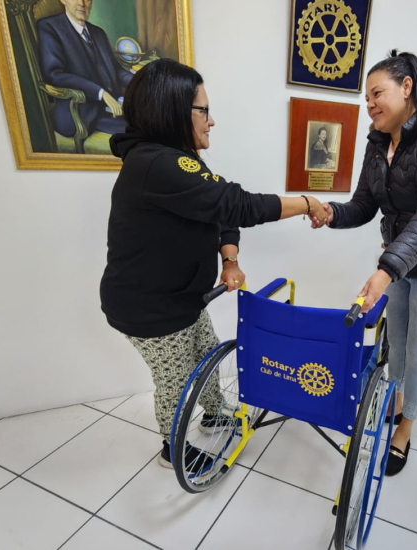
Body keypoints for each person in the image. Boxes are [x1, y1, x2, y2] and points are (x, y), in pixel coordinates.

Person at [100, 59, 328, 472]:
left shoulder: (176, 160)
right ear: (172, 110)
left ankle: (213, 413)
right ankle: (173, 449)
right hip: (149, 307)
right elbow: (237, 204)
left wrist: (230, 259)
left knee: (206, 353)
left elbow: (221, 211)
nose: (212, 121)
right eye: (203, 110)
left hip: (182, 297)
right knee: (175, 380)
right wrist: (306, 202)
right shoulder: (158, 164)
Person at [314, 50, 417, 476]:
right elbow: (363, 205)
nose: (369, 104)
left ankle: (405, 429)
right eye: (366, 97)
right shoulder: (377, 142)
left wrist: (386, 269)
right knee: (397, 346)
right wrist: (330, 213)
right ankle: (399, 397)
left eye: (377, 93)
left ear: (407, 87)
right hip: (403, 261)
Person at [38, 0, 133, 138]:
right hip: (80, 112)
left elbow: (116, 70)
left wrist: (140, 81)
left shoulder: (98, 32)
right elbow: (55, 74)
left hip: (113, 107)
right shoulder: (49, 27)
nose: (82, 4)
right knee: (140, 131)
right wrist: (100, 93)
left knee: (151, 122)